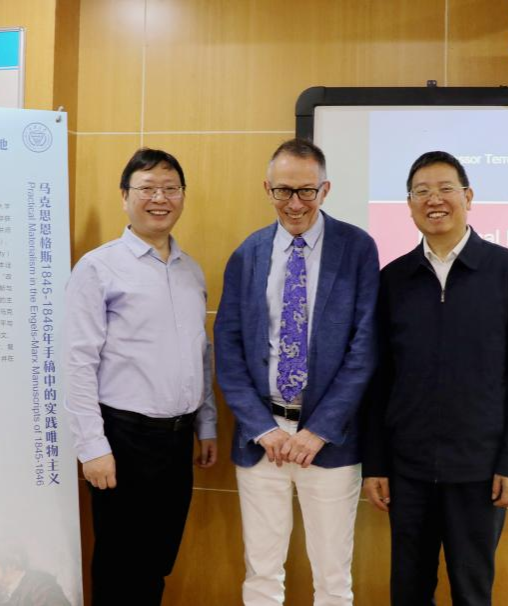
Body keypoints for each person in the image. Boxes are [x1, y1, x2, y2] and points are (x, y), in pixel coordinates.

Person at [362, 151, 508, 606]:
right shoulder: (394, 279)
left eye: (445, 189)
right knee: (408, 591)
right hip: (408, 470)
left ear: (468, 197)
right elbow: (379, 379)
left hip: (479, 472)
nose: (434, 200)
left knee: (472, 593)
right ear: (409, 204)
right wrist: (376, 463)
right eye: (421, 191)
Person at [214, 138, 379, 606]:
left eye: (306, 191)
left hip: (329, 442)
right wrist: (261, 427)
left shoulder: (357, 249)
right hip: (262, 439)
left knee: (333, 578)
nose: (295, 203)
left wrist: (318, 431)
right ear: (267, 189)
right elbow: (228, 348)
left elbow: (364, 348)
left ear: (325, 189)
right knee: (261, 574)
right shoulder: (248, 254)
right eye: (283, 191)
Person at [64, 148, 217, 606]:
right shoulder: (98, 267)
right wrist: (93, 447)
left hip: (177, 439)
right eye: (148, 188)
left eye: (171, 188)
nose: (160, 199)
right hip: (123, 438)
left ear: (183, 196)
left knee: (157, 559)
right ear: (125, 196)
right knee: (120, 562)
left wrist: (206, 424)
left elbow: (199, 354)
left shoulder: (191, 271)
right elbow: (77, 361)